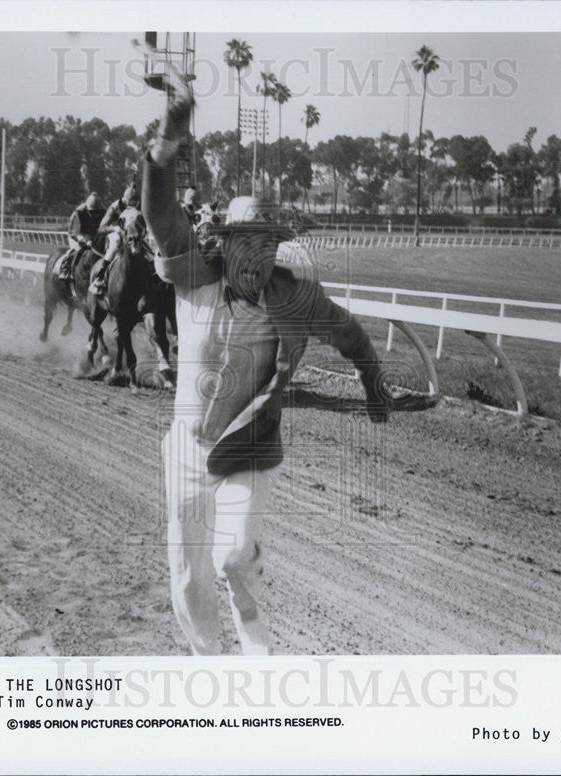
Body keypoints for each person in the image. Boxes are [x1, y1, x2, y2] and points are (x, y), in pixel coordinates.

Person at [142, 69, 390, 656]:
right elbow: (158, 213)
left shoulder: (294, 297)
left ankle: (261, 669)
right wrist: (167, 139)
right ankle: (208, 666)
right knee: (188, 573)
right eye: (248, 243)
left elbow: (350, 333)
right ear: (225, 244)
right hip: (186, 445)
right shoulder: (192, 275)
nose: (259, 256)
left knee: (232, 559)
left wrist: (374, 385)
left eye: (269, 244)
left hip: (251, 446)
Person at [89, 183, 142, 297]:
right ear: (125, 201)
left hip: (133, 235)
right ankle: (99, 278)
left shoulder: (140, 206)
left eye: (134, 204)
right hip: (116, 234)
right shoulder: (115, 206)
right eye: (130, 204)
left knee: (147, 248)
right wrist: (116, 228)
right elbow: (102, 228)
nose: (132, 207)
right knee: (115, 244)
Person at [58, 192, 106, 281]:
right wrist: (86, 240)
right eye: (92, 212)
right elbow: (76, 232)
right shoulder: (79, 213)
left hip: (92, 236)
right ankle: (66, 269)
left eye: (97, 212)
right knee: (77, 250)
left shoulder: (103, 211)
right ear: (87, 209)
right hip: (76, 235)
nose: (95, 214)